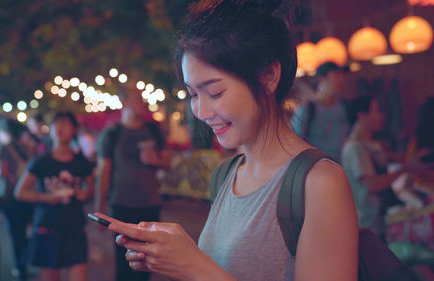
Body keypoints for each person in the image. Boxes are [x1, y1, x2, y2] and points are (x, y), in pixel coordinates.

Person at [95, 1, 358, 280]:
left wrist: (193, 265)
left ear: (268, 76)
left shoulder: (319, 183)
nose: (201, 112)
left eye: (215, 92)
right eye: (193, 94)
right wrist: (177, 256)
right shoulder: (225, 174)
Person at [95, 86, 170, 281]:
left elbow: (168, 163)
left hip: (150, 204)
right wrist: (99, 207)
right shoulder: (111, 134)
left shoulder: (154, 130)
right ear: (124, 103)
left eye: (142, 98)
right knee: (124, 261)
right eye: (137, 99)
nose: (143, 102)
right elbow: (104, 172)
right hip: (122, 205)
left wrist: (156, 161)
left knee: (146, 261)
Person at [15, 112, 95, 281]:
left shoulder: (81, 162)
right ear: (50, 130)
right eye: (56, 123)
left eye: (65, 123)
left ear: (74, 130)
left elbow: (91, 189)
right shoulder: (41, 162)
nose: (60, 127)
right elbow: (20, 192)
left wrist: (84, 193)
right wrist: (47, 198)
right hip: (49, 228)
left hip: (75, 228)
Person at [341, 96, 427, 237]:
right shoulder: (355, 147)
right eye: (377, 111)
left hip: (378, 222)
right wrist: (406, 168)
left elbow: (395, 157)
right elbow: (373, 185)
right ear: (362, 115)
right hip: (367, 226)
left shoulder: (371, 144)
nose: (381, 116)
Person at [0, 117, 35, 281]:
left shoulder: (3, 149)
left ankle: (21, 270)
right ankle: (28, 263)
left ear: (4, 132)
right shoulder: (29, 148)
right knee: (27, 233)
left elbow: (3, 173)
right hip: (28, 196)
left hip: (11, 198)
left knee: (16, 236)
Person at [291, 61, 350, 162]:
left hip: (341, 171)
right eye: (335, 76)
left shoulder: (344, 108)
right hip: (316, 171)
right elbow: (293, 145)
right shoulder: (307, 110)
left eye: (342, 76)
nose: (342, 80)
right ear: (321, 79)